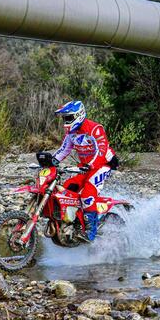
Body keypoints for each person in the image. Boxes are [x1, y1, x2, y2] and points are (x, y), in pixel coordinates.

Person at [51, 100, 118, 241]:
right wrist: (51, 162)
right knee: (67, 188)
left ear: (79, 115)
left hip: (103, 165)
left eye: (68, 118)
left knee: (88, 193)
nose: (65, 121)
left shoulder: (95, 129)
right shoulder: (71, 133)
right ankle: (73, 223)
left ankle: (90, 232)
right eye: (64, 118)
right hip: (86, 167)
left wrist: (91, 165)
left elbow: (102, 150)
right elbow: (64, 150)